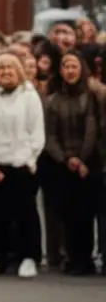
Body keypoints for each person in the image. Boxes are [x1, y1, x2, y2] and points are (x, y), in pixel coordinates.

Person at [0, 51, 44, 279]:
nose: (5, 72)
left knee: (26, 215)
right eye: (0, 69)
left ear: (19, 71)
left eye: (10, 68)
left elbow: (37, 133)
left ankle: (28, 258)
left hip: (22, 165)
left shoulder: (30, 97)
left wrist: (30, 160)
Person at [43, 49, 98, 275]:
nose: (70, 70)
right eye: (66, 66)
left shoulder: (91, 97)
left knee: (85, 213)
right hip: (63, 163)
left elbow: (91, 131)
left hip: (88, 163)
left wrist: (81, 158)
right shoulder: (54, 100)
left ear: (81, 69)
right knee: (66, 213)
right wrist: (66, 159)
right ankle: (71, 257)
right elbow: (50, 136)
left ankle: (86, 259)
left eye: (74, 66)